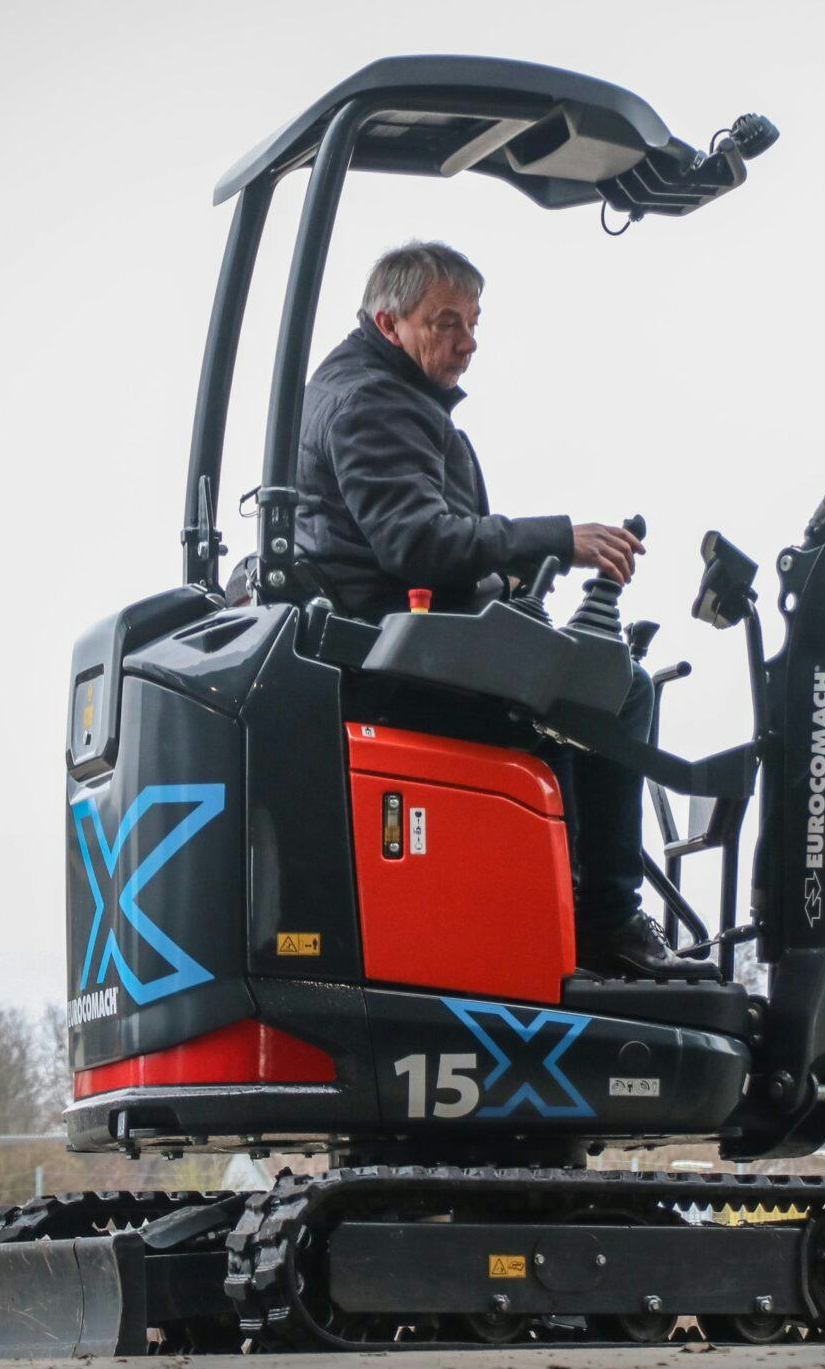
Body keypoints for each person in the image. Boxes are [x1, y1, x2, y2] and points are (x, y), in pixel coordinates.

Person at [296, 240, 705, 982]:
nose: (467, 342)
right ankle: (605, 922)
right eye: (445, 322)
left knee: (587, 680)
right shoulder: (373, 403)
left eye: (473, 322)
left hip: (410, 640)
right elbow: (417, 542)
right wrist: (560, 539)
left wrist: (515, 588)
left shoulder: (382, 393)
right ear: (390, 324)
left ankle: (575, 910)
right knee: (615, 690)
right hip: (400, 662)